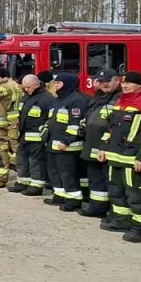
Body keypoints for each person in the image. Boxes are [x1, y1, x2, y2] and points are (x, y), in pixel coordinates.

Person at [97, 71, 141, 243]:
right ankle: (122, 221)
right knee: (117, 192)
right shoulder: (120, 101)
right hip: (116, 157)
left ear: (139, 85)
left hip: (134, 159)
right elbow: (111, 129)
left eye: (129, 83)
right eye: (123, 83)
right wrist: (103, 148)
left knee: (138, 196)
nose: (125, 85)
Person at [79, 70, 122, 219]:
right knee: (95, 179)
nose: (105, 84)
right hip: (93, 144)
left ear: (117, 81)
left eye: (108, 81)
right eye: (101, 81)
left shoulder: (120, 98)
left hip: (108, 147)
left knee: (110, 181)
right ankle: (97, 208)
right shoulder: (99, 97)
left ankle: (114, 212)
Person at [45, 74, 90, 211]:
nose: (56, 85)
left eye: (59, 83)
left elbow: (76, 123)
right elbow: (52, 120)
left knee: (68, 174)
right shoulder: (58, 99)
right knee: (54, 172)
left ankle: (73, 200)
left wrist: (66, 141)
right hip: (53, 144)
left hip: (68, 147)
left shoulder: (77, 100)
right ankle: (59, 195)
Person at [14, 74, 53, 196]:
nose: (26, 90)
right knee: (21, 159)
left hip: (37, 138)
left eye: (28, 87)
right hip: (24, 136)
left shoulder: (47, 99)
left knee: (36, 162)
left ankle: (36, 186)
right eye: (24, 87)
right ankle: (22, 182)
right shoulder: (26, 97)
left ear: (36, 84)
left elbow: (50, 119)